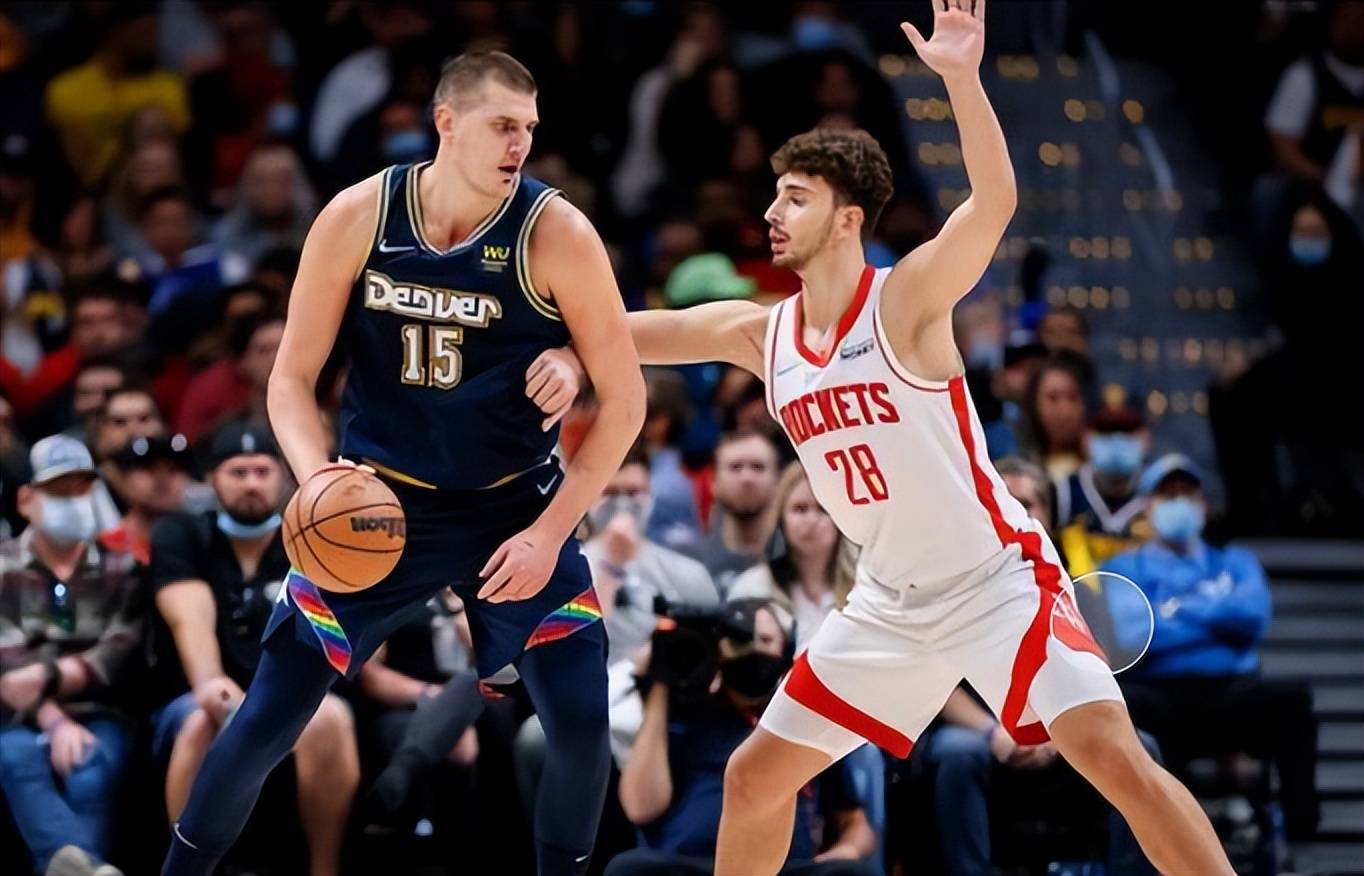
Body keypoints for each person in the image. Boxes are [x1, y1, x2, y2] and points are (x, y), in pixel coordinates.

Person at [549, 5, 1231, 873]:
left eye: (795, 197)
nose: (771, 210)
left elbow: (994, 203)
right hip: (887, 602)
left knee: (1114, 758)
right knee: (756, 777)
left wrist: (961, 80)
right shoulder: (764, 334)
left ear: (846, 219)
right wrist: (555, 338)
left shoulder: (904, 302)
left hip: (995, 582)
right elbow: (635, 331)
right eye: (774, 193)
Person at [162, 51, 645, 876]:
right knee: (269, 716)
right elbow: (291, 379)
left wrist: (550, 532)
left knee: (578, 723)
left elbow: (626, 400)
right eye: (502, 125)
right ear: (446, 122)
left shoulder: (555, 231)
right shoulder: (360, 214)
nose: (520, 145)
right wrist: (317, 476)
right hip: (377, 504)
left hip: (512, 508)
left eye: (529, 129)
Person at [149, 423, 360, 876]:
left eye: (262, 471)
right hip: (201, 690)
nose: (251, 483)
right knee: (201, 719)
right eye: (237, 472)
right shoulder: (181, 533)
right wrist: (209, 681)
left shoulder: (315, 539)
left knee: (331, 716)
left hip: (289, 691)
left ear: (283, 477)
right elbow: (188, 614)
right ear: (211, 479)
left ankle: (324, 869)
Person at [1102, 453, 1320, 844]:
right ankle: (1152, 843)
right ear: (1147, 506)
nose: (1178, 502)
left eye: (1187, 493)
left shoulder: (1236, 561)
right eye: (1167, 494)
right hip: (1160, 696)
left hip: (1230, 693)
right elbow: (1135, 638)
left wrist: (1174, 610)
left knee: (1293, 701)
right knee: (1126, 708)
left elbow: (1252, 616)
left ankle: (1302, 836)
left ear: (1203, 505)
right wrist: (1217, 617)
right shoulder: (1122, 569)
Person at [610, 600, 876, 876]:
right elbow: (640, 808)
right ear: (719, 651)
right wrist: (660, 681)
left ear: (785, 649)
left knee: (853, 873)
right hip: (691, 865)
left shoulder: (804, 725)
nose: (754, 651)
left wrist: (846, 851)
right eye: (741, 641)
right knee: (627, 868)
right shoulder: (687, 714)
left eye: (766, 640)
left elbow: (856, 824)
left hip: (784, 869)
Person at [0, 435, 141, 876]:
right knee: (16, 757)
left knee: (90, 768)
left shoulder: (123, 567)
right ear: (26, 499)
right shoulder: (2, 565)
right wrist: (53, 720)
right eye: (59, 491)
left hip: (100, 712)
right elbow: (6, 664)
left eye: (82, 489)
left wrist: (48, 676)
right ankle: (92, 870)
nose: (74, 501)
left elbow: (118, 651)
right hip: (15, 717)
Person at [729, 462, 856, 654]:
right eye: (800, 509)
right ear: (780, 519)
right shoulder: (751, 589)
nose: (811, 520)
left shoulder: (863, 591)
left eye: (823, 509)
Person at [1054, 405, 1152, 576]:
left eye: (1127, 433)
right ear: (1086, 438)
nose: (1116, 441)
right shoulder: (1065, 492)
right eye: (1105, 433)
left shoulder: (1158, 489)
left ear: (1145, 438)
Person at [682, 429, 782, 594]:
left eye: (758, 467)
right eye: (735, 467)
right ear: (713, 482)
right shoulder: (688, 563)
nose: (747, 478)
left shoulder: (799, 563)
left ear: (778, 480)